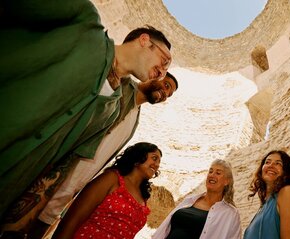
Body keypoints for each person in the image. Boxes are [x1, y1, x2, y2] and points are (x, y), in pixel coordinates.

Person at [0, 0, 173, 222]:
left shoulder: (111, 110)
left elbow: (61, 165)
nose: (162, 74)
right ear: (144, 40)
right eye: (164, 61)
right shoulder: (84, 21)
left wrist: (16, 229)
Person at [0, 73, 178, 239]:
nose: (165, 92)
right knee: (12, 230)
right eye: (166, 84)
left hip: (77, 182)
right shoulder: (122, 86)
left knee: (35, 235)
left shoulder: (135, 120)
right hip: (58, 170)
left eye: (169, 93)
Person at [44, 142, 162, 239]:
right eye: (154, 158)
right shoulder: (111, 179)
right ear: (138, 157)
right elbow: (73, 219)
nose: (157, 165)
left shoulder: (143, 198)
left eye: (159, 162)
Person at [142, 159, 242, 239]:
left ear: (226, 181)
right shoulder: (189, 200)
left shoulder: (230, 214)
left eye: (218, 173)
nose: (212, 175)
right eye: (210, 171)